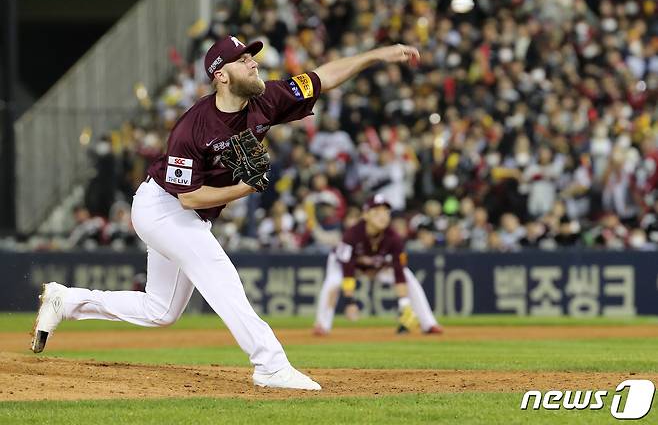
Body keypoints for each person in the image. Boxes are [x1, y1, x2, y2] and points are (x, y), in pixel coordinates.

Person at [30, 35, 420, 391]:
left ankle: (67, 301)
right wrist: (245, 187)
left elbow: (324, 77)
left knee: (161, 310)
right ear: (221, 75)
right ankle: (270, 365)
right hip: (162, 206)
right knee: (219, 274)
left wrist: (377, 55)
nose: (253, 62)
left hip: (188, 214)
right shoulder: (193, 127)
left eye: (252, 55)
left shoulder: (269, 98)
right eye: (242, 58)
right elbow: (189, 198)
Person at [313, 194, 443, 335]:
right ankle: (322, 324)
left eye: (385, 212)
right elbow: (347, 268)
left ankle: (429, 324)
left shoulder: (394, 238)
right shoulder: (352, 234)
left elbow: (398, 271)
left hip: (378, 267)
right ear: (366, 215)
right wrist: (350, 301)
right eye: (376, 212)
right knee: (332, 283)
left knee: (408, 276)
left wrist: (404, 304)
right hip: (345, 265)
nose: (382, 216)